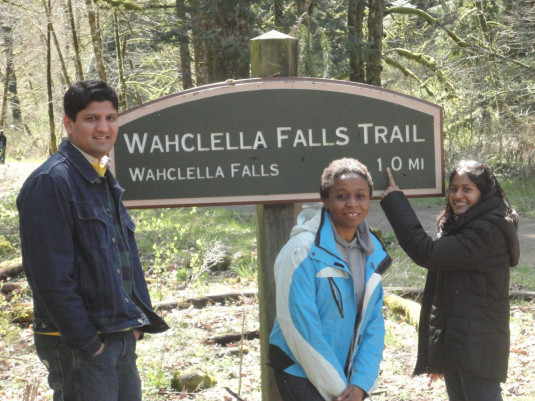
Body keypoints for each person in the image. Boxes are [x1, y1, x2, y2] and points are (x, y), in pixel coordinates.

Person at [17, 80, 169, 401]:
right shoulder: (51, 181)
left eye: (111, 118)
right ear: (68, 123)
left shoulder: (100, 177)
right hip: (80, 343)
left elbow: (122, 256)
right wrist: (89, 344)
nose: (104, 127)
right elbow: (49, 277)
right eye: (91, 118)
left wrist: (134, 324)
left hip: (117, 334)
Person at [380, 160, 520, 401]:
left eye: (467, 189)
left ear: (483, 193)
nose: (458, 195)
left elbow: (428, 253)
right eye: (454, 188)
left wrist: (395, 201)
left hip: (477, 344)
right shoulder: (465, 224)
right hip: (459, 338)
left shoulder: (486, 230)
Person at [267, 158, 392, 401]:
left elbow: (373, 324)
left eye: (360, 196)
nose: (352, 204)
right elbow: (299, 328)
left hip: (348, 379)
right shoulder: (301, 251)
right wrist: (338, 389)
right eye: (342, 196)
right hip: (300, 373)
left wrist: (361, 383)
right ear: (325, 200)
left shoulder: (372, 252)